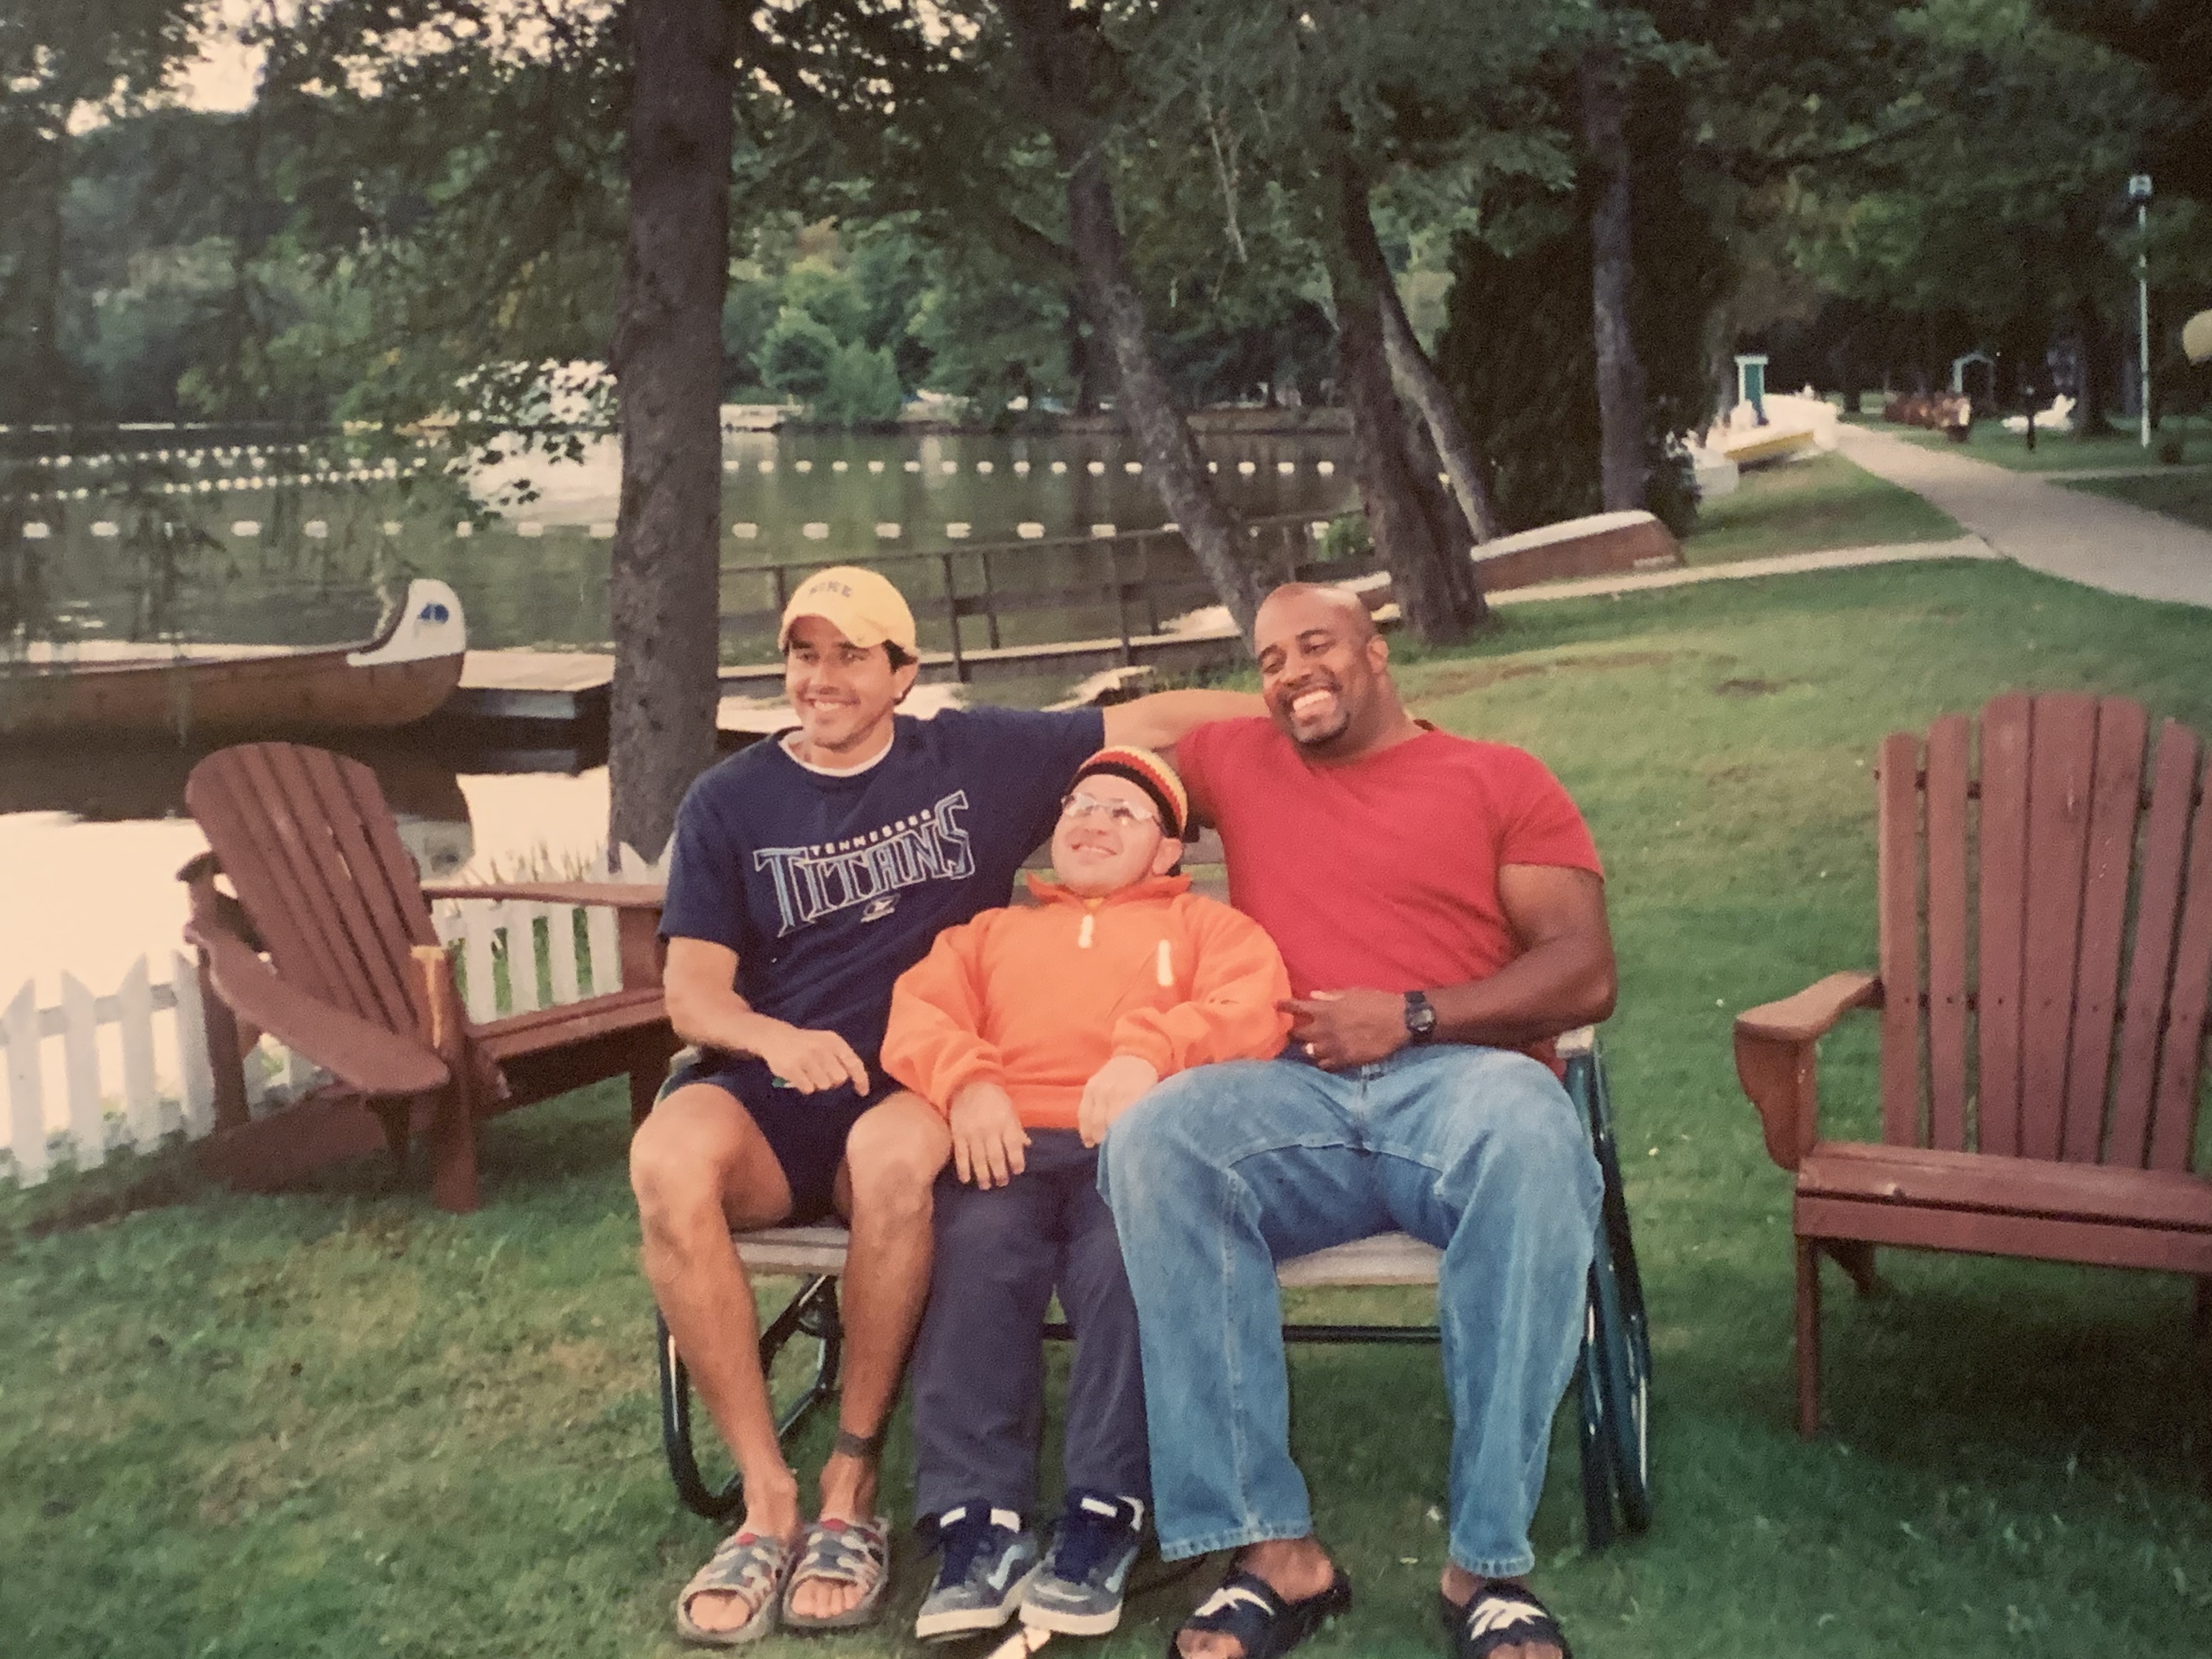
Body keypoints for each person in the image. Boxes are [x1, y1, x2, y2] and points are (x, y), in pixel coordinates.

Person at [631, 566, 1260, 1645]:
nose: (822, 679)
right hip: (786, 1085)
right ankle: (765, 1500)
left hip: (926, 1092)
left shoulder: (972, 756)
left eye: (850, 656)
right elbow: (691, 991)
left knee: (903, 1172)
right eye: (804, 654)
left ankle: (854, 1475)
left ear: (903, 672)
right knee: (665, 1163)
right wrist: (775, 1039)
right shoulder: (728, 800)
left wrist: (1307, 717)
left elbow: (1149, 719)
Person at [1095, 584, 1617, 1659]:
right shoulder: (1242, 760)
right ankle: (1271, 1552)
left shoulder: (1498, 778)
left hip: (1461, 1083)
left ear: (1378, 652)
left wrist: (1414, 1014)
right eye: (1269, 662)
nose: (1291, 674)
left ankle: (1487, 1564)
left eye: (1317, 648)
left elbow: (1585, 970)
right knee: (1160, 1139)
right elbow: (1120, 732)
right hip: (1292, 1099)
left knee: (1532, 1134)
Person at [880, 746, 1291, 1645]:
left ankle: (1105, 1513)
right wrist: (967, 1083)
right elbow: (920, 1013)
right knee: (978, 1258)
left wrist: (1151, 1050)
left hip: (1135, 1150)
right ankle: (976, 1525)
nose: (1093, 822)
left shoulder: (1207, 930)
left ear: (1168, 853)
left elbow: (1252, 1007)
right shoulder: (989, 934)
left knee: (1123, 1266)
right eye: (1079, 805)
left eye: (1122, 813)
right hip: (1007, 1144)